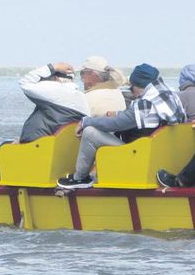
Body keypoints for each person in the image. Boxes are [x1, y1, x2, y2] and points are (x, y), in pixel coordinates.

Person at [0, 62, 89, 187]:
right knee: (5, 145)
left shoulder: (56, 90)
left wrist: (53, 67)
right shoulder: (81, 98)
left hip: (36, 162)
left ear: (55, 79)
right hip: (53, 159)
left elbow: (25, 82)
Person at [57, 63, 185, 189]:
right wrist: (118, 114)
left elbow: (116, 124)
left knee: (90, 133)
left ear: (139, 86)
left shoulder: (146, 103)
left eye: (131, 88)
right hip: (160, 156)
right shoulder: (170, 96)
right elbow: (135, 118)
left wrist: (85, 121)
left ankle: (80, 178)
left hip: (139, 157)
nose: (132, 92)